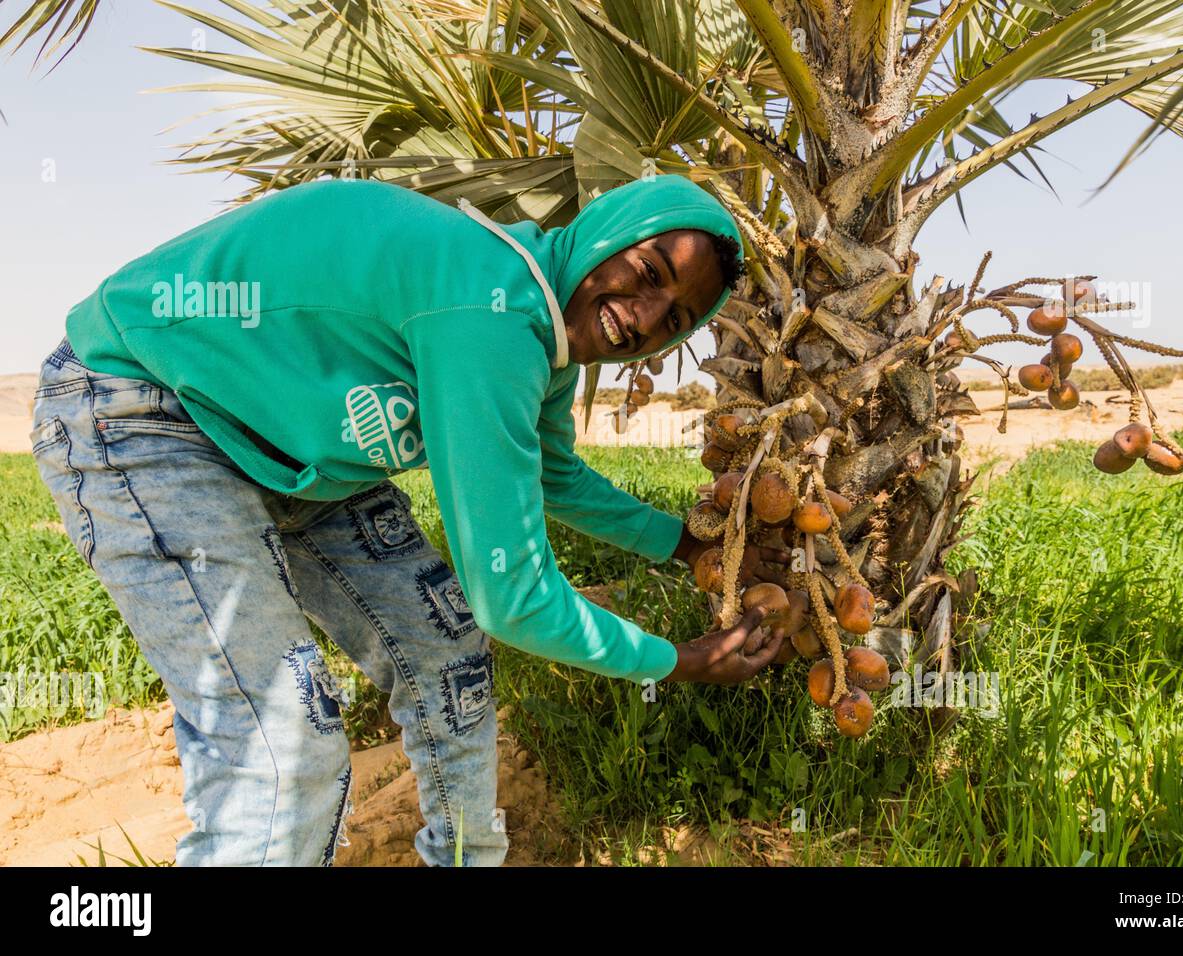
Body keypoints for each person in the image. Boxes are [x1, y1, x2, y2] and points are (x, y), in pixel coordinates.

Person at [28, 172, 787, 867]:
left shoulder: (535, 321)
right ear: (605, 235)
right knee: (281, 745)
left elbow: (554, 475)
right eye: (648, 274)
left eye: (678, 317)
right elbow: (511, 598)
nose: (648, 317)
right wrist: (675, 662)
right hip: (145, 404)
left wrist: (686, 546)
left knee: (447, 655)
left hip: (291, 447)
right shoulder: (489, 311)